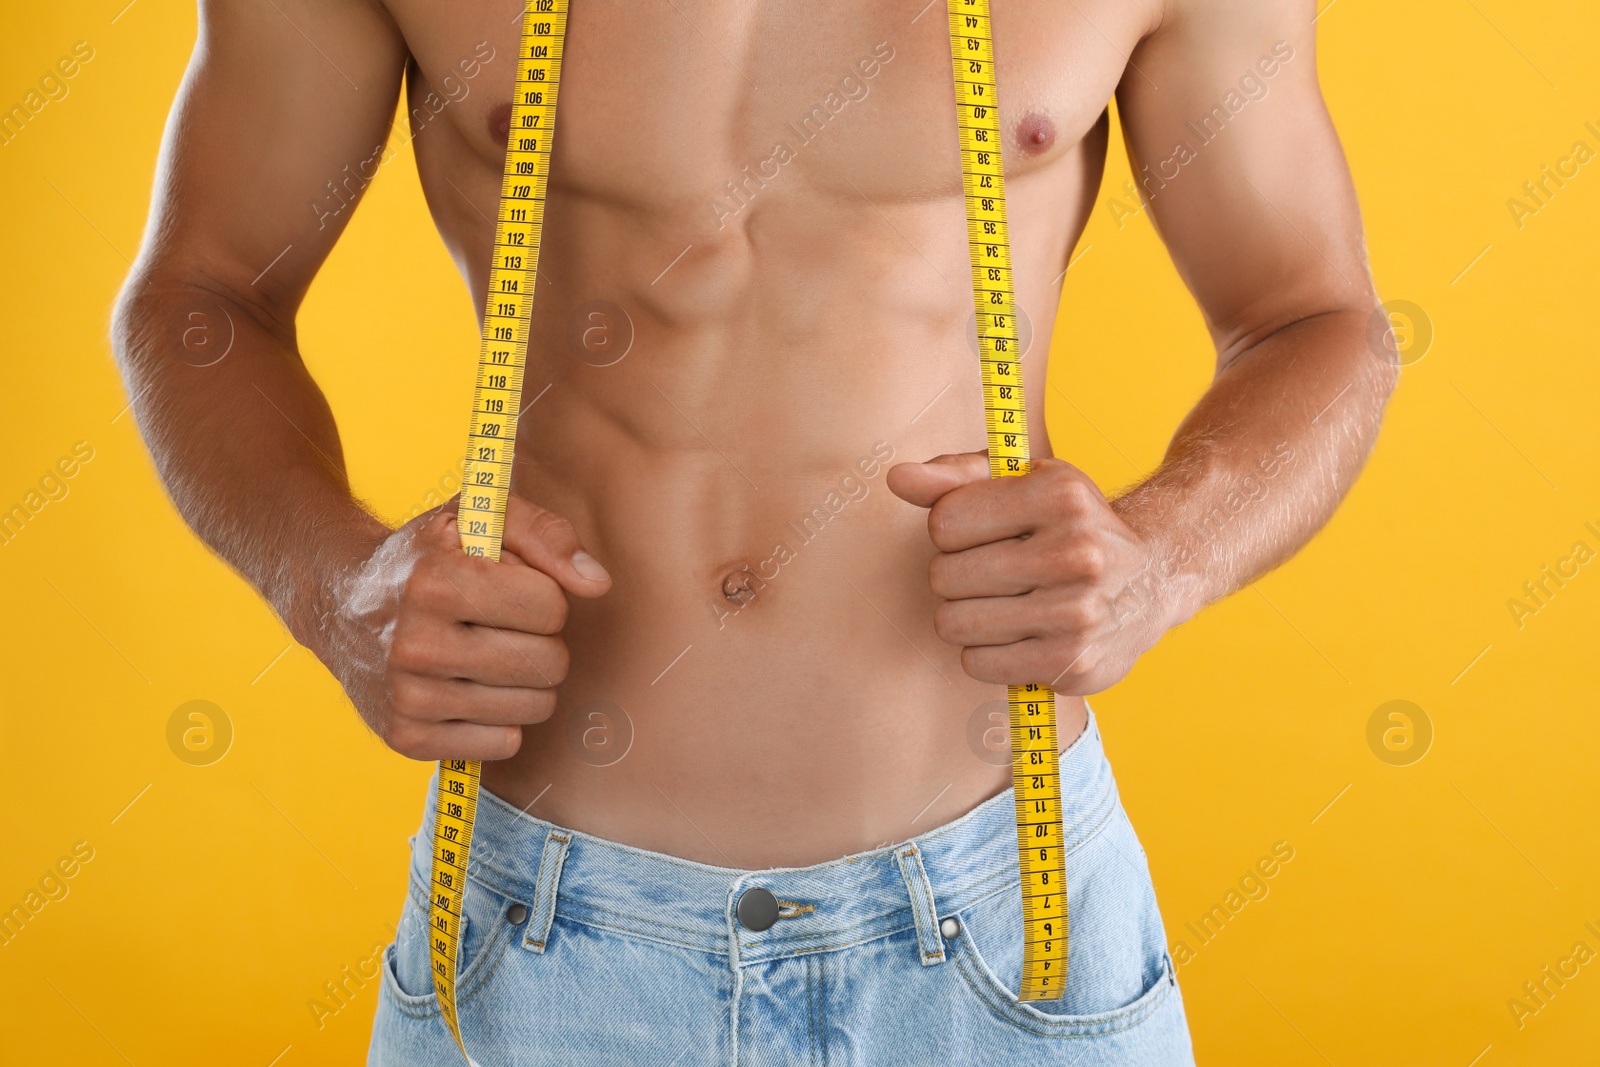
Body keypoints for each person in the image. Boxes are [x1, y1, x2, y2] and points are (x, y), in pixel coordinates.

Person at [112, 0, 1392, 1062]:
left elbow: (1314, 315)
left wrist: (1162, 558)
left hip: (1002, 928)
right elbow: (204, 287)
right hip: (545, 943)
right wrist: (334, 584)